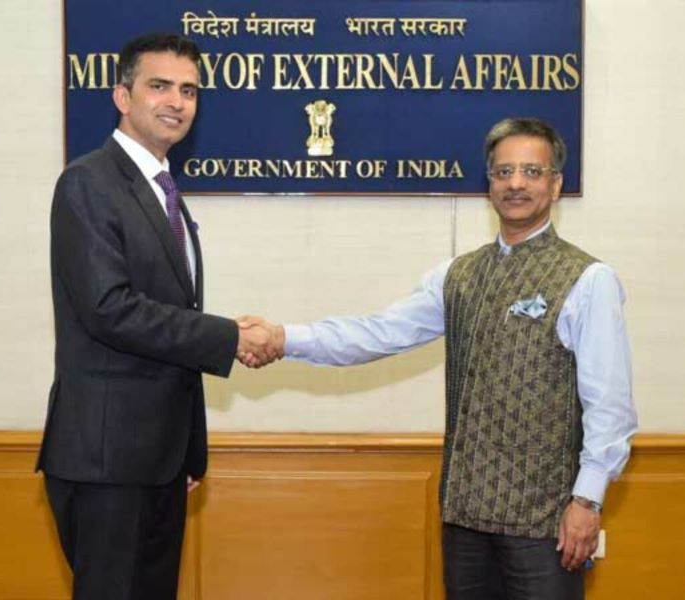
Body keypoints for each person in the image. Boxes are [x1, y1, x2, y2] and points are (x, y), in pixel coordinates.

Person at [240, 117, 637, 600]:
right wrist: (284, 337)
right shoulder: (458, 275)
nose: (515, 183)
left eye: (532, 172)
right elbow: (378, 333)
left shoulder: (588, 279)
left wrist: (587, 501)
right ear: (488, 183)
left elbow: (610, 407)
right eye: (503, 172)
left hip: (545, 521)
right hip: (463, 517)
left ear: (555, 185)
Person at [36, 32, 277, 600]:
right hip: (106, 458)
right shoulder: (88, 182)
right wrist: (229, 336)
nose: (177, 101)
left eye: (189, 90)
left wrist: (188, 447)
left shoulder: (164, 190)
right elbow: (109, 310)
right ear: (123, 96)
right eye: (159, 86)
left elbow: (171, 320)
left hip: (159, 459)